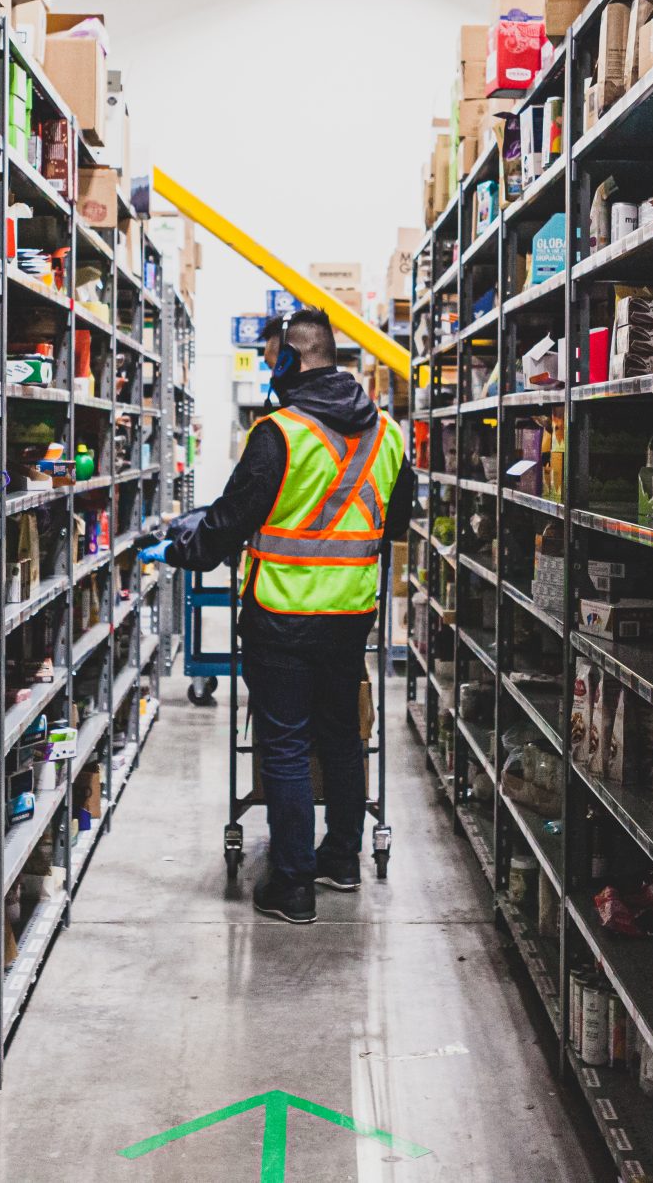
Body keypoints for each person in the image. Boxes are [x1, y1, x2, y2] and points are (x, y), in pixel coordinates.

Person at [140, 308, 413, 923]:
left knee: (286, 745)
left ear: (290, 359)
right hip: (350, 614)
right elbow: (394, 524)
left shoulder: (279, 433)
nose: (269, 369)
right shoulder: (389, 435)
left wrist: (181, 545)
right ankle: (342, 859)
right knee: (342, 735)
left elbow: (230, 524)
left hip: (282, 614)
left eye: (273, 359)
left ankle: (292, 886)